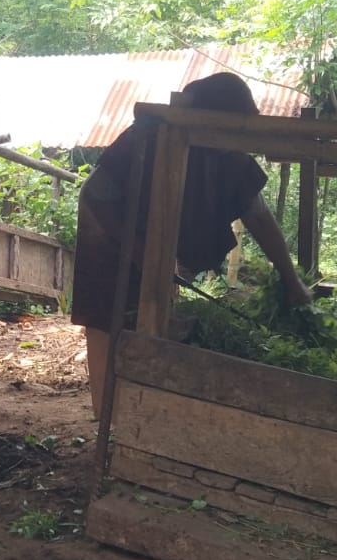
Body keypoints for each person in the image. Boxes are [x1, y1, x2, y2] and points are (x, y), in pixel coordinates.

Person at [71, 72, 314, 418]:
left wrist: (291, 280)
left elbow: (258, 216)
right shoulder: (149, 139)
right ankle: (108, 417)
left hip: (159, 249)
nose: (239, 139)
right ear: (213, 118)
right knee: (108, 322)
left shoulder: (230, 155)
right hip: (108, 243)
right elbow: (94, 195)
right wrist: (141, 253)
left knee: (156, 320)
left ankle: (142, 414)